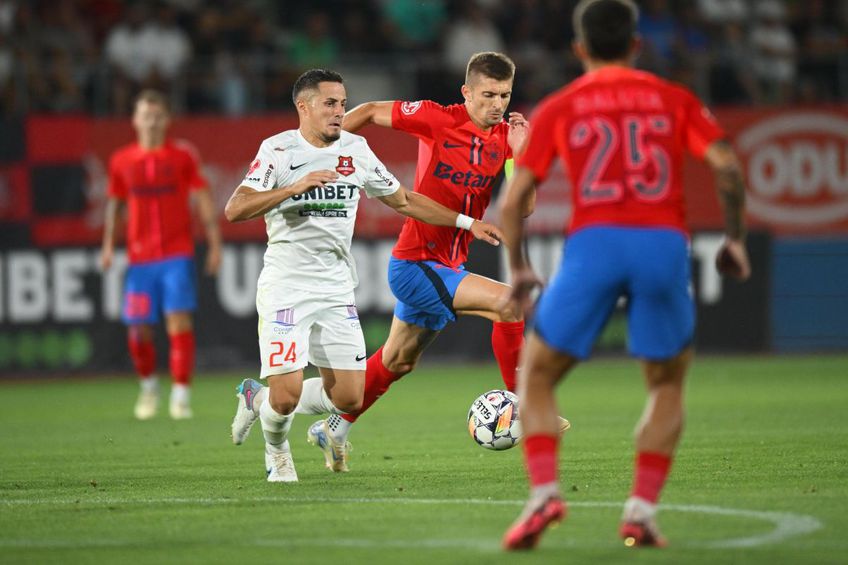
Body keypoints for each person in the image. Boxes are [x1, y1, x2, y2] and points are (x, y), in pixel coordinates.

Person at [230, 52, 569, 474]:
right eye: (487, 95)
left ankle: (329, 426)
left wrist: (520, 154)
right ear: (466, 93)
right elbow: (371, 110)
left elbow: (525, 207)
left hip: (449, 261)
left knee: (397, 361)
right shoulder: (437, 118)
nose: (496, 104)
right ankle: (528, 406)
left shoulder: (506, 138)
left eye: (504, 95)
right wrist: (328, 151)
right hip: (416, 263)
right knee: (509, 304)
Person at [499, 0, 751, 550]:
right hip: (663, 245)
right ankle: (640, 511)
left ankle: (544, 496)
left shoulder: (563, 105)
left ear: (580, 49)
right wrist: (733, 237)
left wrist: (517, 267)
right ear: (638, 45)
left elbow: (515, 195)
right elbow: (728, 166)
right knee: (665, 384)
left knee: (537, 376)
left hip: (595, 244)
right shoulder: (673, 99)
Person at [100, 89, 222, 420]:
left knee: (178, 321)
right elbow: (115, 203)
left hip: (176, 255)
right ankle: (149, 387)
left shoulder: (182, 157)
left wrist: (214, 243)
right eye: (145, 114)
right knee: (138, 329)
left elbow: (202, 198)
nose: (151, 121)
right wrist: (109, 245)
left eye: (157, 115)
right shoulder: (121, 161)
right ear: (135, 120)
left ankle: (181, 396)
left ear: (166, 120)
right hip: (140, 261)